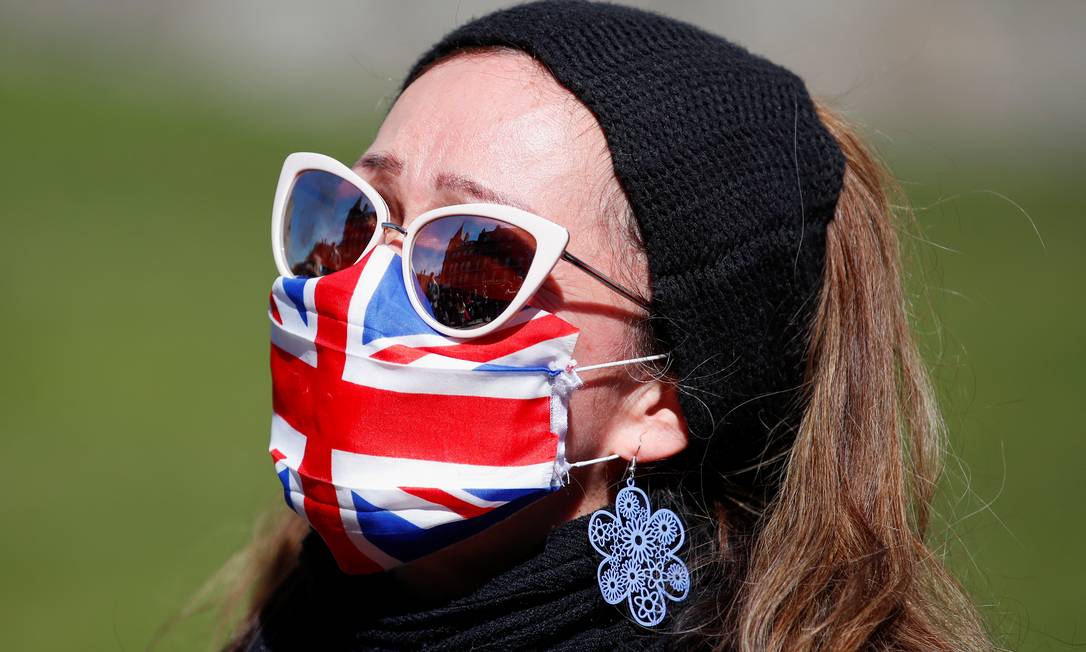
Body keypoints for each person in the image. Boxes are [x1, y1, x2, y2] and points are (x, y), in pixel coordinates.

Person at [227, 1, 991, 650]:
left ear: (660, 396)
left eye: (474, 262)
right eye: (356, 217)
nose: (356, 293)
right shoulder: (290, 618)